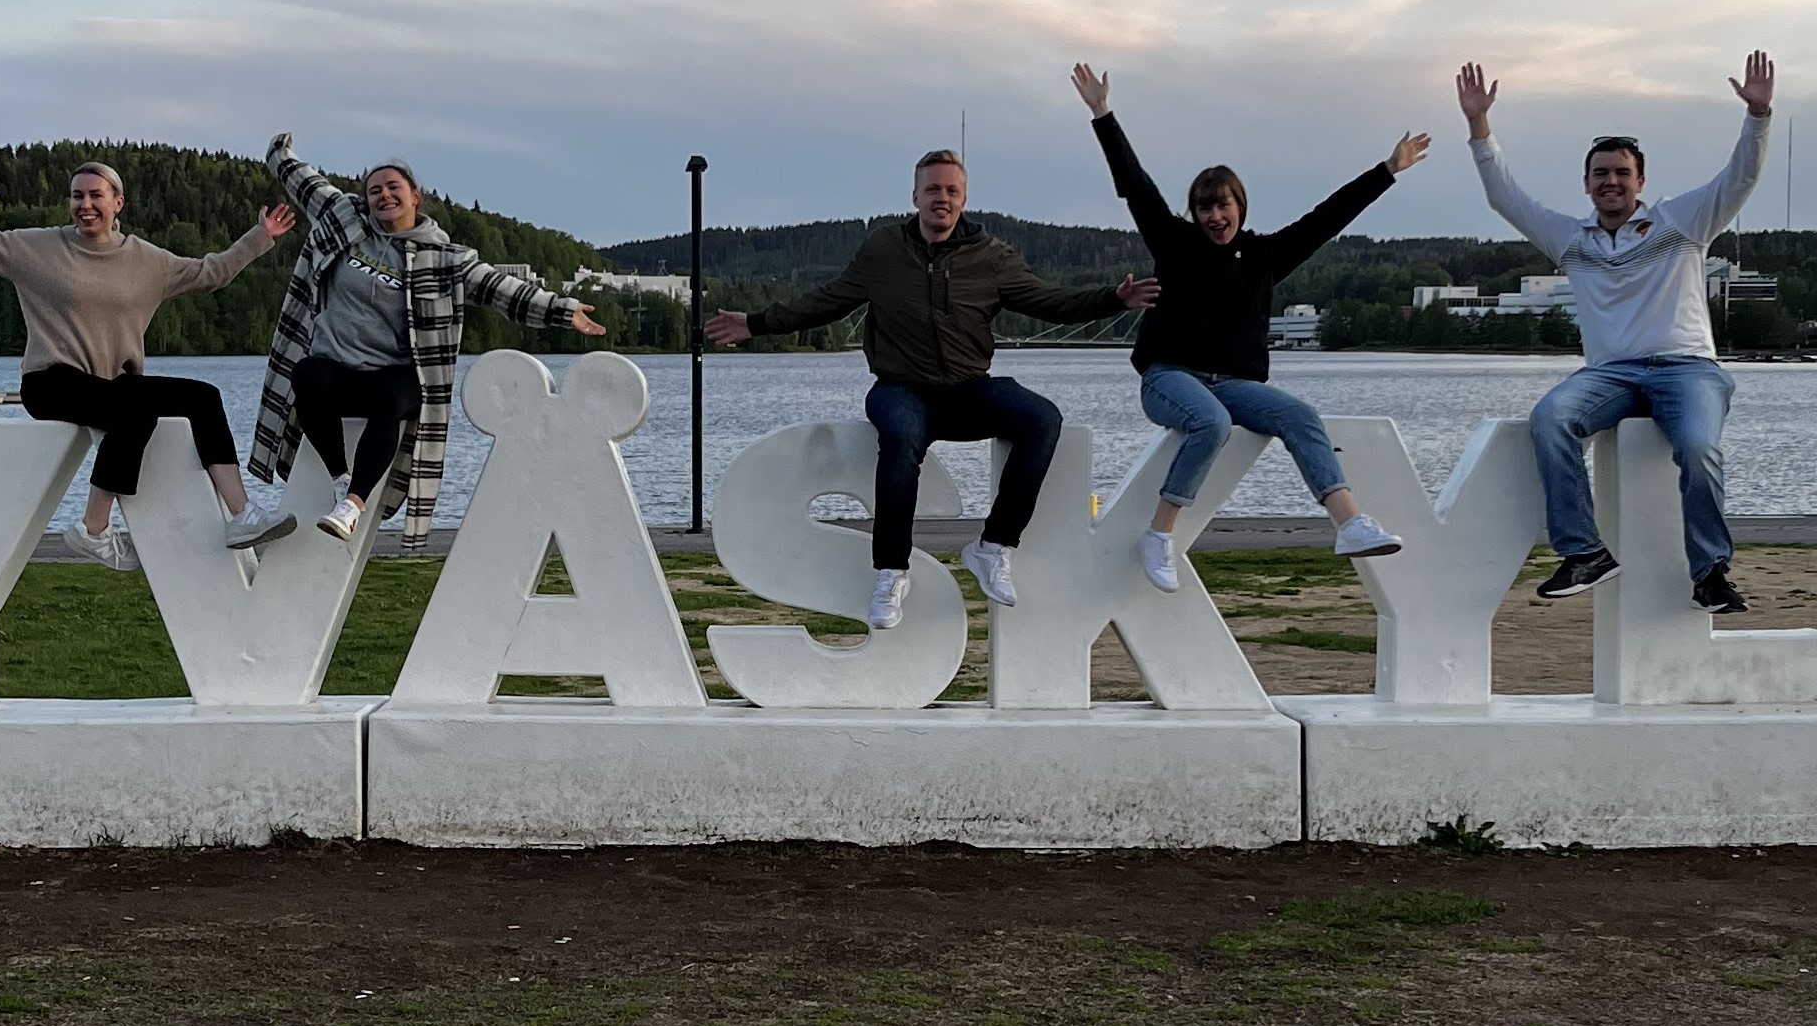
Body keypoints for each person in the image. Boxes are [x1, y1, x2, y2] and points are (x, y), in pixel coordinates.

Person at [705, 148, 1158, 630]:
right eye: (933, 189)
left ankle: (993, 546)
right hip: (901, 390)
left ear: (963, 199)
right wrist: (757, 323)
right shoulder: (884, 251)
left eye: (951, 190)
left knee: (1042, 419)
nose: (942, 198)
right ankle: (890, 572)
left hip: (968, 390)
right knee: (901, 440)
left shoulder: (991, 257)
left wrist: (1113, 299)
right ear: (915, 196)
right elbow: (828, 301)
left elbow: (1051, 302)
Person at [1072, 62, 1430, 591]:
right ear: (1194, 213)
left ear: (1240, 206)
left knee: (1301, 416)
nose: (1214, 217)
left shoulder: (1264, 256)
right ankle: (1159, 535)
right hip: (1169, 377)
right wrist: (1103, 113)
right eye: (1204, 208)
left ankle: (1350, 522)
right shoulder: (1173, 243)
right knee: (1210, 422)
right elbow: (1135, 184)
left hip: (1234, 384)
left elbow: (1327, 218)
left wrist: (1388, 169)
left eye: (1223, 205)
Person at [1456, 51, 1777, 613]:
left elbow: (1741, 177)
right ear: (1586, 184)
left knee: (1698, 447)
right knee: (1551, 419)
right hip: (1610, 376)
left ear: (1640, 181)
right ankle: (1584, 552)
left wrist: (1757, 116)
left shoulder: (1683, 222)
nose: (1611, 181)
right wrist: (1479, 126)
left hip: (1686, 368)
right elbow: (1505, 197)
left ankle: (1710, 572)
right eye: (1601, 173)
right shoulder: (1570, 238)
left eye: (1622, 173)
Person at [0, 157, 295, 568]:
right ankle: (93, 529)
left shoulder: (147, 261)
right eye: (76, 196)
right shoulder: (37, 248)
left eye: (95, 195)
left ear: (117, 202)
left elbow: (209, 273)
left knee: (204, 398)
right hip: (50, 382)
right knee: (133, 412)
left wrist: (259, 237)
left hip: (111, 385)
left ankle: (241, 514)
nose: (85, 205)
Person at [249, 136, 606, 548]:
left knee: (392, 399)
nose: (384, 196)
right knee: (305, 374)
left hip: (391, 375)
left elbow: (499, 288)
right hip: (336, 372)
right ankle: (339, 476)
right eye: (374, 191)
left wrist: (562, 310)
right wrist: (279, 150)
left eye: (393, 188)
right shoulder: (343, 219)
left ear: (415, 196)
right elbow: (303, 181)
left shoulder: (443, 258)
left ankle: (352, 505)